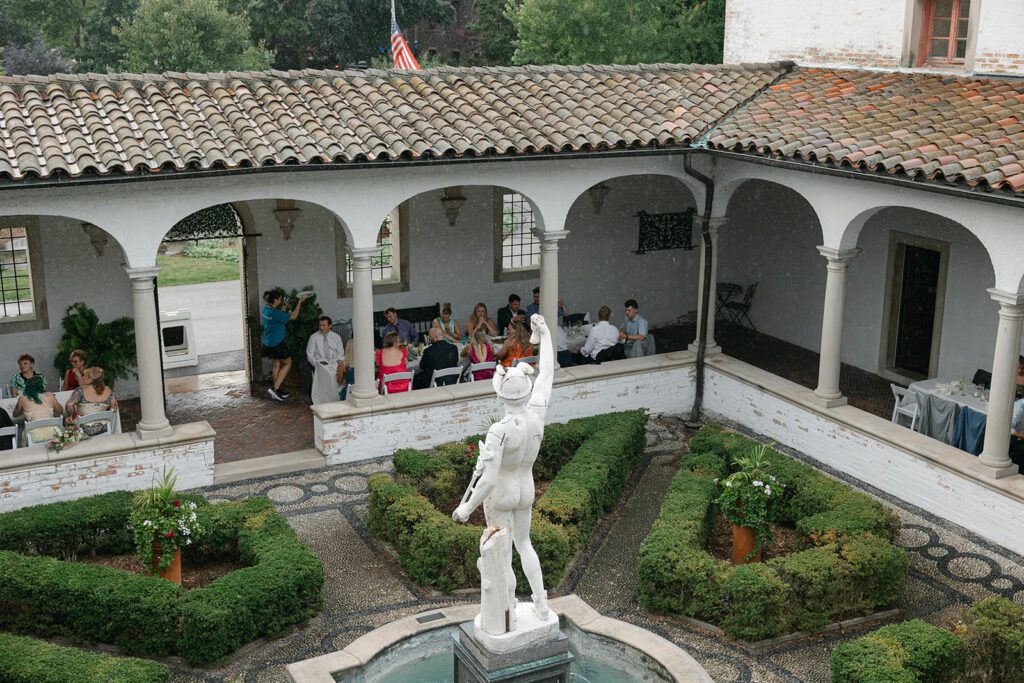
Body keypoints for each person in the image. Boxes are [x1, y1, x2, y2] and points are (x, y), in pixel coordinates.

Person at [453, 314, 556, 622]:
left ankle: (506, 611)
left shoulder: (499, 430)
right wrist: (546, 335)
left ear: (500, 393)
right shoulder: (536, 414)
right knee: (525, 545)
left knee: (502, 555)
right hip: (526, 487)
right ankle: (541, 603)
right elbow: (547, 373)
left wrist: (466, 508)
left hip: (502, 492)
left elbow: (486, 480)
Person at [262, 290, 304, 402]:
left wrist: (284, 309)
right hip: (277, 343)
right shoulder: (275, 313)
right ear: (275, 300)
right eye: (279, 298)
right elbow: (294, 316)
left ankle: (276, 390)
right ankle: (275, 389)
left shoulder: (266, 309)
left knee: (276, 364)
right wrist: (300, 302)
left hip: (267, 343)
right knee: (287, 363)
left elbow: (277, 319)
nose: (280, 300)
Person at [65, 367, 118, 437]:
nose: (83, 377)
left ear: (90, 379)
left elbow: (69, 405)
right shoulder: (109, 391)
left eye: (85, 376)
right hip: (104, 428)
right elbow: (114, 409)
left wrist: (70, 416)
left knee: (67, 425)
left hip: (83, 429)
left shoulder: (80, 391)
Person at [307, 316, 345, 405]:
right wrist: (317, 366)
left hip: (334, 363)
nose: (321, 328)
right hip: (319, 365)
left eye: (324, 325)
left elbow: (341, 354)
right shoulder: (313, 337)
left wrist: (337, 363)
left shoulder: (336, 337)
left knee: (339, 373)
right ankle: (324, 399)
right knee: (327, 374)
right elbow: (309, 355)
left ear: (330, 326)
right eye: (320, 325)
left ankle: (336, 398)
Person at [13, 375, 63, 444]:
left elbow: (15, 415)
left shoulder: (22, 399)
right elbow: (60, 411)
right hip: (53, 432)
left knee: (21, 430)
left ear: (27, 386)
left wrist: (21, 407)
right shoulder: (50, 395)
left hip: (33, 436)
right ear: (41, 385)